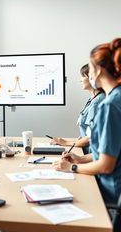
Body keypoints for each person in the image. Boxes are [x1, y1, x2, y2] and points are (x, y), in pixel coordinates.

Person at [53, 38, 121, 205]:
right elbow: (112, 152)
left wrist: (72, 168)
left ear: (97, 70)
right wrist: (81, 159)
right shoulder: (117, 98)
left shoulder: (110, 105)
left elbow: (106, 166)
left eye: (89, 68)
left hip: (111, 194)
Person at [51, 64, 105, 154]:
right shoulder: (93, 99)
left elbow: (91, 137)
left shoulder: (97, 102)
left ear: (92, 78)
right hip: (87, 151)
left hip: (93, 155)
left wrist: (66, 143)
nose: (80, 80)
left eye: (83, 76)